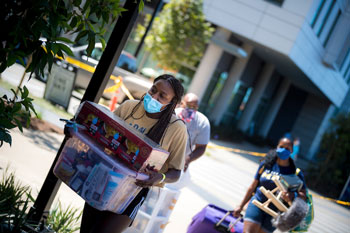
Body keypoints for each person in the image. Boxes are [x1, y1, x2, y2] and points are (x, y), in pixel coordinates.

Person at [79, 74, 188, 233]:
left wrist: (160, 177)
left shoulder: (177, 129)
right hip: (103, 178)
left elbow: (176, 172)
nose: (154, 96)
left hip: (132, 193)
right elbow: (102, 135)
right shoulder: (129, 107)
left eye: (162, 96)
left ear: (173, 103)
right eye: (153, 90)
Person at [233, 137, 307, 233]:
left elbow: (303, 195)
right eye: (281, 146)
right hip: (257, 203)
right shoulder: (266, 164)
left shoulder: (294, 172)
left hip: (276, 212)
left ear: (292, 151)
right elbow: (253, 186)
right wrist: (241, 205)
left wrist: (292, 195)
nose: (284, 150)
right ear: (277, 147)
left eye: (287, 148)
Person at [175, 93, 210, 172]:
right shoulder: (173, 114)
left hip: (181, 161)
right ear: (182, 103)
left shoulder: (202, 122)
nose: (190, 109)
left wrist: (187, 160)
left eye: (194, 107)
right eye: (188, 105)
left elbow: (201, 147)